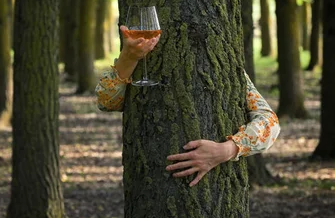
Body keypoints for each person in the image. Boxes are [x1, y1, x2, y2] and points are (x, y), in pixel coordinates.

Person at [96, 25, 281, 187]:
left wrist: (227, 149)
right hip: (147, 182)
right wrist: (129, 57)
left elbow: (270, 123)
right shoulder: (140, 58)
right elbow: (107, 101)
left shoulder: (229, 70)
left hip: (215, 186)